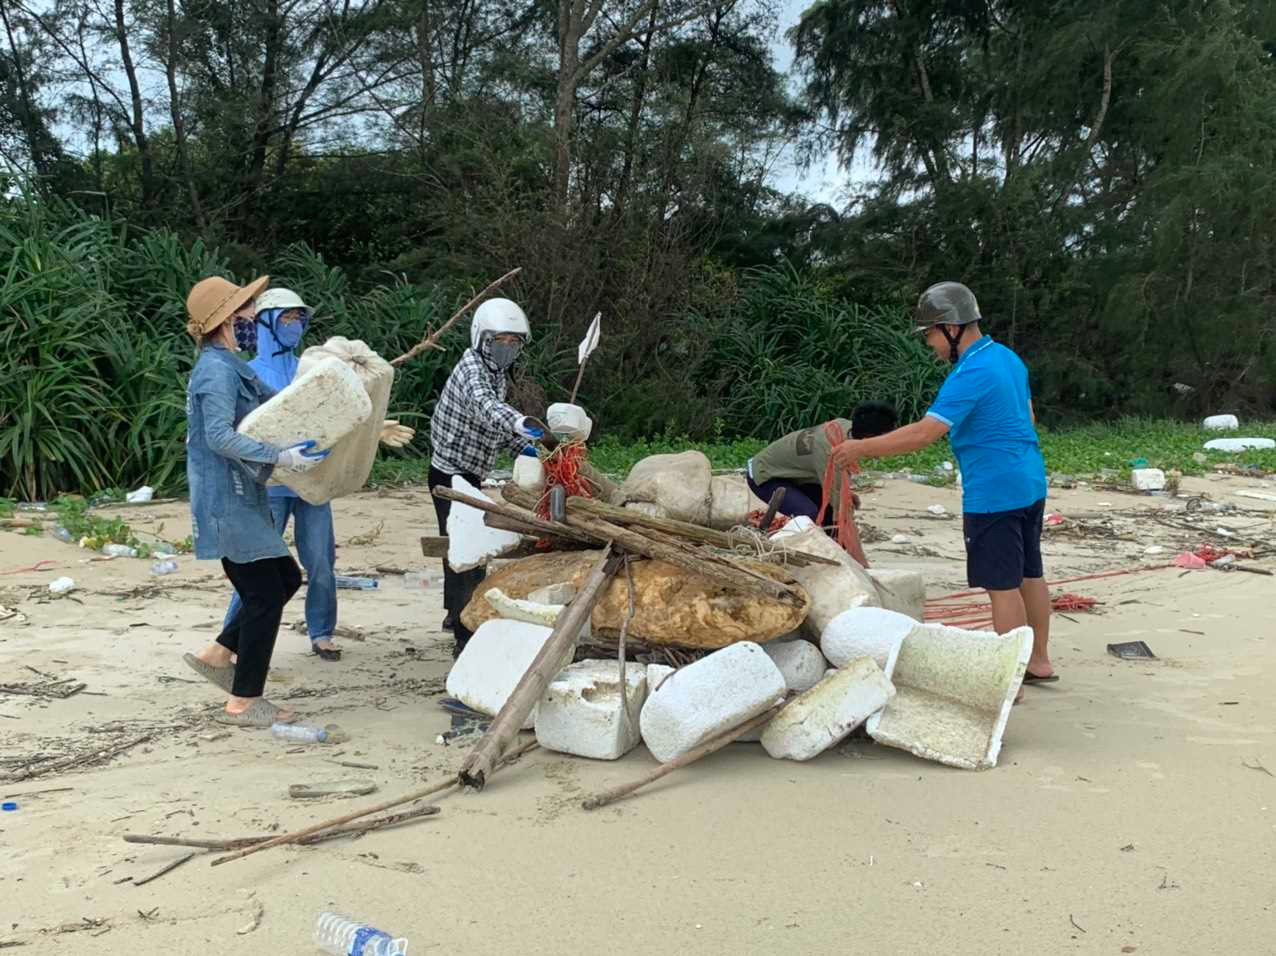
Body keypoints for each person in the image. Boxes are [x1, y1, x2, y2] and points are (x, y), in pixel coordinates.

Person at [829, 281, 1055, 686]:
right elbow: (1028, 415)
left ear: (952, 327)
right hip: (1030, 480)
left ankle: (1009, 677)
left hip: (994, 491)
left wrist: (860, 448)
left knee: (1001, 586)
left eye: (930, 333)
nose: (930, 343)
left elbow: (923, 433)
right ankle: (1038, 660)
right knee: (1029, 574)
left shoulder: (971, 372)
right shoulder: (1007, 358)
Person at [220, 288, 415, 662]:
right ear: (264, 323)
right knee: (256, 567)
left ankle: (322, 632)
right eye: (286, 318)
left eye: (298, 318)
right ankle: (231, 641)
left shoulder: (315, 368)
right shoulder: (245, 374)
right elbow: (238, 431)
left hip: (314, 482)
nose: (294, 325)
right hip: (269, 486)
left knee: (322, 563)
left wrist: (374, 428)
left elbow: (339, 418)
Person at [180, 275, 331, 727]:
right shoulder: (213, 371)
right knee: (265, 594)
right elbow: (219, 436)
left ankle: (219, 652)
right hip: (226, 501)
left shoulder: (235, 366)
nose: (251, 317)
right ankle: (244, 700)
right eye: (245, 310)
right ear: (225, 321)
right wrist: (280, 456)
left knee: (283, 578)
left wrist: (340, 410)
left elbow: (279, 405)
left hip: (246, 497)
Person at [429, 297, 546, 657]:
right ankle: (466, 635)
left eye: (514, 343)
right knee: (469, 551)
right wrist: (519, 422)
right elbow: (486, 408)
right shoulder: (472, 370)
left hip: (471, 472)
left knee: (456, 547)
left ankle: (454, 614)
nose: (507, 349)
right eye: (500, 341)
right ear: (482, 339)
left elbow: (494, 427)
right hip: (450, 474)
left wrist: (530, 448)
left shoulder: (495, 373)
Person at [746, 401, 898, 529]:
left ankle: (832, 548)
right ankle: (794, 548)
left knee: (829, 513)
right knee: (809, 514)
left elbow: (835, 487)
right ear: (869, 437)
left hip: (794, 475)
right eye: (883, 441)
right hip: (765, 475)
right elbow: (842, 511)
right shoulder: (832, 452)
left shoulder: (844, 428)